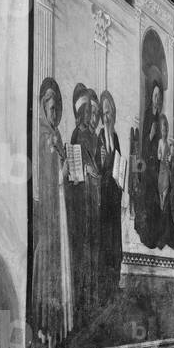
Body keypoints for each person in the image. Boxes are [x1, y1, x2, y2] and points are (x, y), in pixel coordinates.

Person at [32, 78, 73, 348]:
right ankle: (46, 328)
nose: (54, 112)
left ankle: (58, 328)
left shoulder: (57, 138)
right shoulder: (45, 137)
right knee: (48, 265)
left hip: (59, 209)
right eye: (50, 108)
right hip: (49, 210)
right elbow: (49, 178)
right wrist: (63, 171)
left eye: (56, 108)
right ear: (44, 109)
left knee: (59, 264)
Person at [70, 82, 101, 317]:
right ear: (81, 112)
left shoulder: (93, 135)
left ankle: (92, 295)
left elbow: (97, 164)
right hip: (81, 198)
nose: (91, 115)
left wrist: (95, 171)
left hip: (94, 195)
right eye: (88, 111)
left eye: (93, 111)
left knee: (93, 243)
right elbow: (74, 168)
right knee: (83, 244)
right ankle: (81, 297)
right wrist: (86, 169)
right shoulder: (77, 134)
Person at [98, 89, 123, 302]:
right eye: (103, 113)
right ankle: (106, 287)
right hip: (104, 196)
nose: (106, 117)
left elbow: (120, 163)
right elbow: (100, 166)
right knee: (106, 239)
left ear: (113, 113)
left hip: (114, 195)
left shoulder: (115, 136)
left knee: (115, 240)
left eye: (109, 113)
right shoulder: (100, 136)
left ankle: (115, 283)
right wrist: (104, 161)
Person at [135, 68, 164, 249]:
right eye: (155, 96)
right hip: (146, 165)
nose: (157, 99)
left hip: (156, 165)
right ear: (151, 97)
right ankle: (146, 234)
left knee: (156, 200)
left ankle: (154, 234)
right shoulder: (147, 115)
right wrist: (151, 136)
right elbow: (143, 145)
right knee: (148, 198)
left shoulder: (159, 118)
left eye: (159, 97)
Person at [156, 114, 174, 250]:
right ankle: (161, 233)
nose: (165, 131)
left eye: (166, 129)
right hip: (161, 171)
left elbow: (170, 159)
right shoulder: (160, 142)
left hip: (166, 172)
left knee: (165, 201)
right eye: (163, 129)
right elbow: (159, 155)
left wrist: (169, 158)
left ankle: (165, 235)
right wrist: (161, 157)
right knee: (160, 201)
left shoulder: (169, 143)